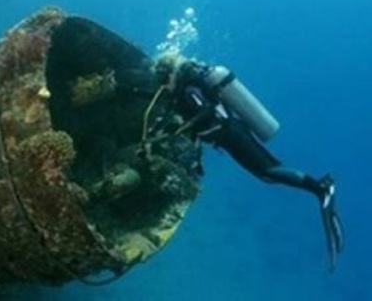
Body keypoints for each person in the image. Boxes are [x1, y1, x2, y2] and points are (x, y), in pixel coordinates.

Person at [138, 56, 344, 272]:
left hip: (234, 135)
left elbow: (205, 112)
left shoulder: (189, 90)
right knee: (267, 174)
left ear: (171, 74)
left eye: (164, 80)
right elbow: (191, 124)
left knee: (269, 170)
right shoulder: (181, 93)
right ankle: (319, 188)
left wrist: (180, 129)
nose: (164, 86)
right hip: (229, 139)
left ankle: (321, 188)